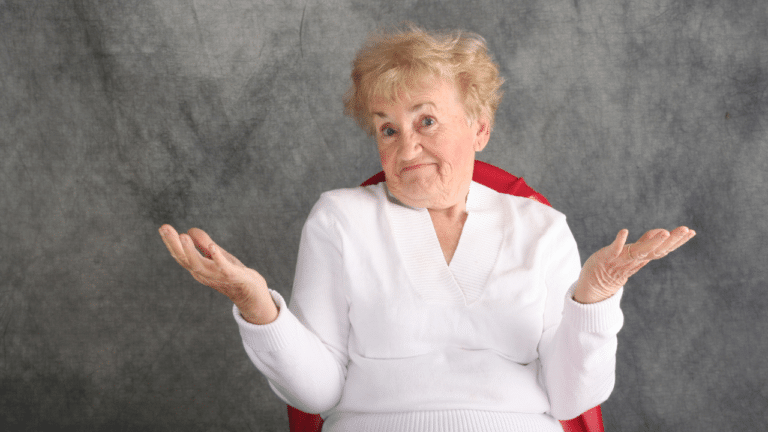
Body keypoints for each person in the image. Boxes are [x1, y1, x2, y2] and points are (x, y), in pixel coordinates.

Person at [158, 25, 695, 432]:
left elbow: (571, 397)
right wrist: (256, 305)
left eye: (427, 120)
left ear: (479, 128)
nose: (406, 146)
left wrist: (594, 298)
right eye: (387, 129)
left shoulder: (542, 228)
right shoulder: (339, 219)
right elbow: (317, 393)